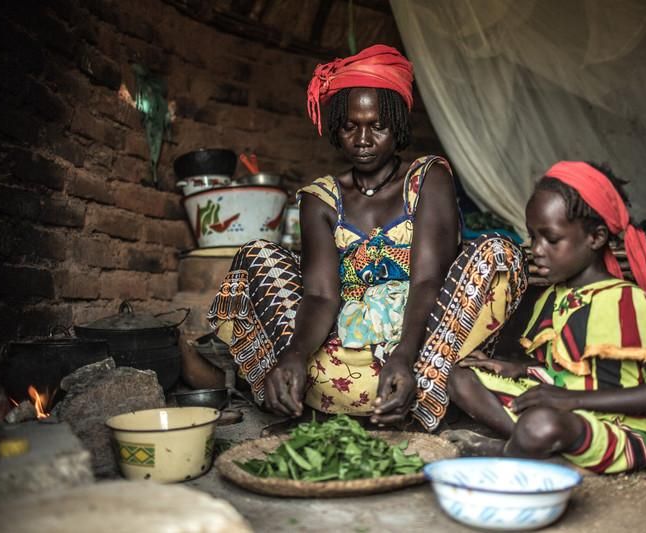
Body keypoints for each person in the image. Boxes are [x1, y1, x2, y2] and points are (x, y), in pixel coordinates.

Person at [191, 44, 527, 430]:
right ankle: (302, 384)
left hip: (423, 344)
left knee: (497, 252)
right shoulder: (321, 199)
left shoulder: (426, 179)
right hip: (343, 356)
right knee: (257, 255)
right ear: (336, 126)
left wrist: (403, 356)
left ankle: (419, 386)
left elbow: (428, 280)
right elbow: (320, 295)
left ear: (398, 126)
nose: (362, 139)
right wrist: (296, 354)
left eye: (377, 126)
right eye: (350, 126)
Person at [446, 161, 646, 473]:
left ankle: (519, 446)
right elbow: (564, 372)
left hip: (618, 429)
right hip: (561, 408)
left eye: (550, 239)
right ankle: (532, 445)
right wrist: (517, 369)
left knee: (541, 421)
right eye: (533, 237)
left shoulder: (629, 302)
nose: (536, 249)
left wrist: (572, 401)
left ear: (595, 237)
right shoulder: (555, 297)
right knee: (460, 378)